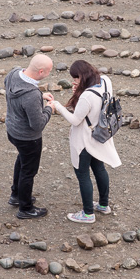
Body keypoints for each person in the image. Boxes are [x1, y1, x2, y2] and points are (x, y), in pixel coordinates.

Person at [50, 60, 121, 223]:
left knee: (82, 174)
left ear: (83, 75)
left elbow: (75, 120)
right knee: (99, 168)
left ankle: (88, 213)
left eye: (76, 78)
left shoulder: (87, 96)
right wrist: (79, 90)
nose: (74, 81)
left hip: (84, 140)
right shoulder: (105, 81)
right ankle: (104, 205)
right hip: (100, 136)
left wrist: (58, 106)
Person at [4, 54, 55, 219]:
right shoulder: (31, 95)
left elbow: (22, 98)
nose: (49, 73)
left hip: (12, 130)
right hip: (28, 138)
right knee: (29, 171)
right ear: (41, 71)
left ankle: (16, 195)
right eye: (48, 71)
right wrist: (49, 109)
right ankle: (25, 208)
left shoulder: (14, 73)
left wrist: (40, 96)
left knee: (22, 160)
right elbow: (37, 124)